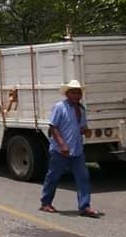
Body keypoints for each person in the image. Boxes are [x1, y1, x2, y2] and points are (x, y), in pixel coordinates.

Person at [39, 80, 101, 218]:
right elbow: (53, 127)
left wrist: (85, 131)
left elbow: (82, 128)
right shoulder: (59, 107)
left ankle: (85, 207)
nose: (77, 95)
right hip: (60, 151)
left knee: (83, 177)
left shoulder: (81, 109)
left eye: (78, 93)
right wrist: (62, 145)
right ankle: (46, 203)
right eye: (73, 93)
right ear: (67, 94)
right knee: (53, 176)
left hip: (77, 150)